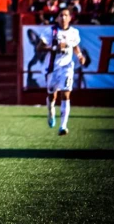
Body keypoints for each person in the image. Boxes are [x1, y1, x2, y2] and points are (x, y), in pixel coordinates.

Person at [37, 8, 84, 136]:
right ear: (57, 18)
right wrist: (54, 47)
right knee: (52, 96)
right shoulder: (50, 31)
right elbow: (39, 47)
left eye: (66, 15)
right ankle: (51, 110)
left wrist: (79, 56)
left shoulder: (74, 32)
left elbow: (75, 45)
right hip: (52, 68)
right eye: (61, 15)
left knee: (66, 94)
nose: (63, 18)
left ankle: (63, 126)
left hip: (67, 67)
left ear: (70, 18)